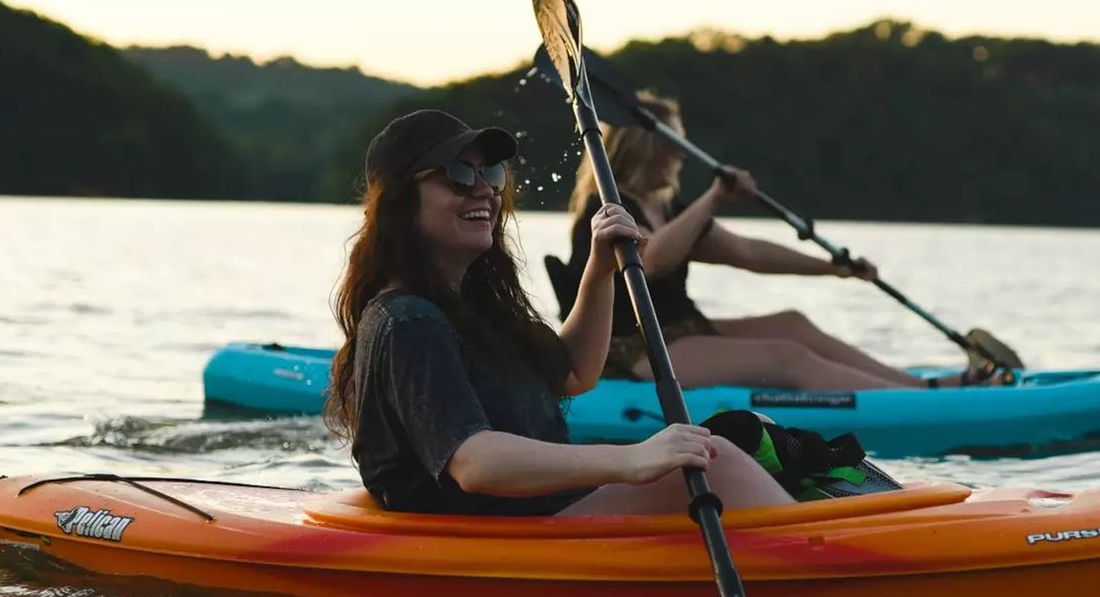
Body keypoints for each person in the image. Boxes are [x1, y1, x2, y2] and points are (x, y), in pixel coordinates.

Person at [324, 109, 795, 517]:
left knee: (752, 433)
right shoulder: (409, 320)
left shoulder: (473, 306)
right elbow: (474, 462)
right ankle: (837, 563)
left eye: (490, 174)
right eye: (458, 176)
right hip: (488, 530)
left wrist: (599, 271)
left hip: (537, 509)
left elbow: (574, 373)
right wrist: (632, 460)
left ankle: (845, 523)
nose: (484, 191)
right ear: (400, 204)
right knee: (721, 462)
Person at [565, 92, 1003, 391]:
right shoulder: (605, 211)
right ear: (646, 147)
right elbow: (653, 260)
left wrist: (835, 268)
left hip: (682, 332)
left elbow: (748, 252)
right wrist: (715, 196)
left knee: (793, 323)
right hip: (632, 352)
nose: (683, 153)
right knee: (786, 356)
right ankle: (920, 403)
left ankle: (923, 388)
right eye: (674, 142)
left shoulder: (669, 207)